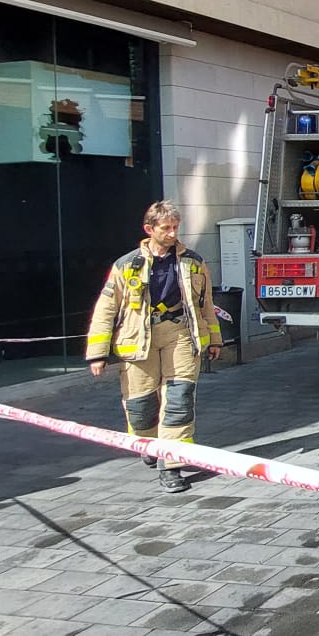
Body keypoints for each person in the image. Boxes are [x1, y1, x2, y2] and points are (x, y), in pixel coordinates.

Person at [86, 201, 223, 493]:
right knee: (140, 405)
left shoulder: (193, 262)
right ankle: (148, 444)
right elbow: (105, 309)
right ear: (149, 229)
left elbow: (206, 305)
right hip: (138, 340)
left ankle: (171, 465)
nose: (173, 234)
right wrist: (97, 353)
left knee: (179, 399)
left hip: (180, 335)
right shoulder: (126, 265)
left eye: (176, 227)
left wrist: (214, 339)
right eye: (166, 228)